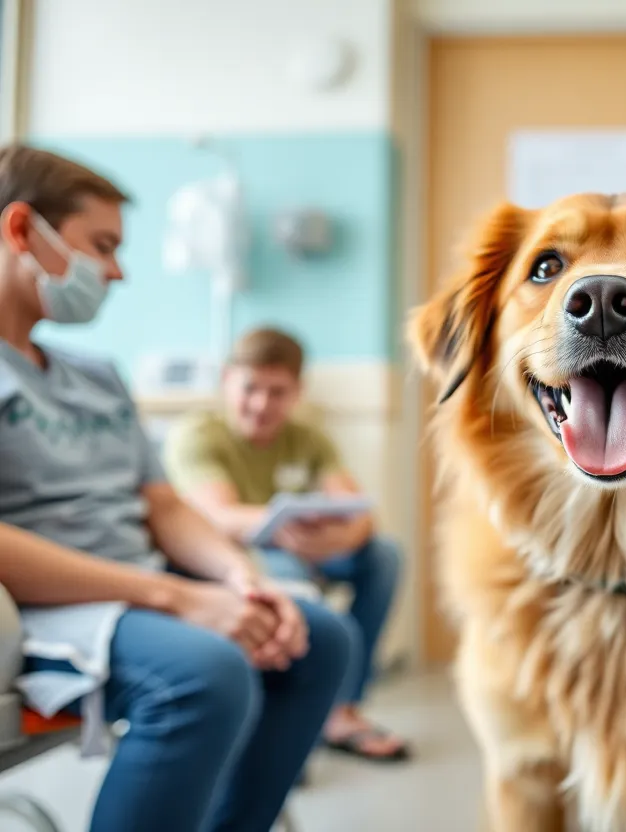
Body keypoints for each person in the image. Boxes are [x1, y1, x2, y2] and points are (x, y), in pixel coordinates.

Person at [0, 144, 357, 832]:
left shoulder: (96, 375)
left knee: (320, 636)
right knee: (207, 672)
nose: (116, 271)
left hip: (143, 585)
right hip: (55, 607)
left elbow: (161, 503)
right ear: (21, 230)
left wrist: (242, 578)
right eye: (101, 246)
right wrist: (178, 597)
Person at [163, 326, 410, 763]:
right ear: (227, 380)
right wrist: (283, 527)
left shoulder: (307, 438)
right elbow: (217, 517)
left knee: (384, 557)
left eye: (277, 392)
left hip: (297, 550)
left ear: (297, 391)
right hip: (230, 559)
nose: (261, 404)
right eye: (250, 388)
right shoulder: (199, 436)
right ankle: (287, 717)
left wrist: (336, 537)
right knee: (291, 578)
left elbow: (361, 515)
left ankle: (341, 709)